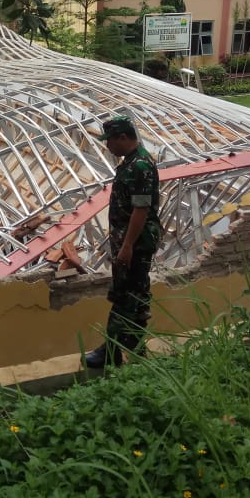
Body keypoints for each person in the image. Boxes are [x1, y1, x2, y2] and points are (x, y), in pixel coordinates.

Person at [84, 115, 161, 369]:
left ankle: (110, 351)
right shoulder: (132, 162)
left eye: (110, 141)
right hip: (131, 240)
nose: (108, 147)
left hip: (135, 243)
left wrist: (127, 246)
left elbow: (140, 210)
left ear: (123, 138)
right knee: (137, 295)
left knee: (124, 295)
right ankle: (136, 351)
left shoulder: (139, 166)